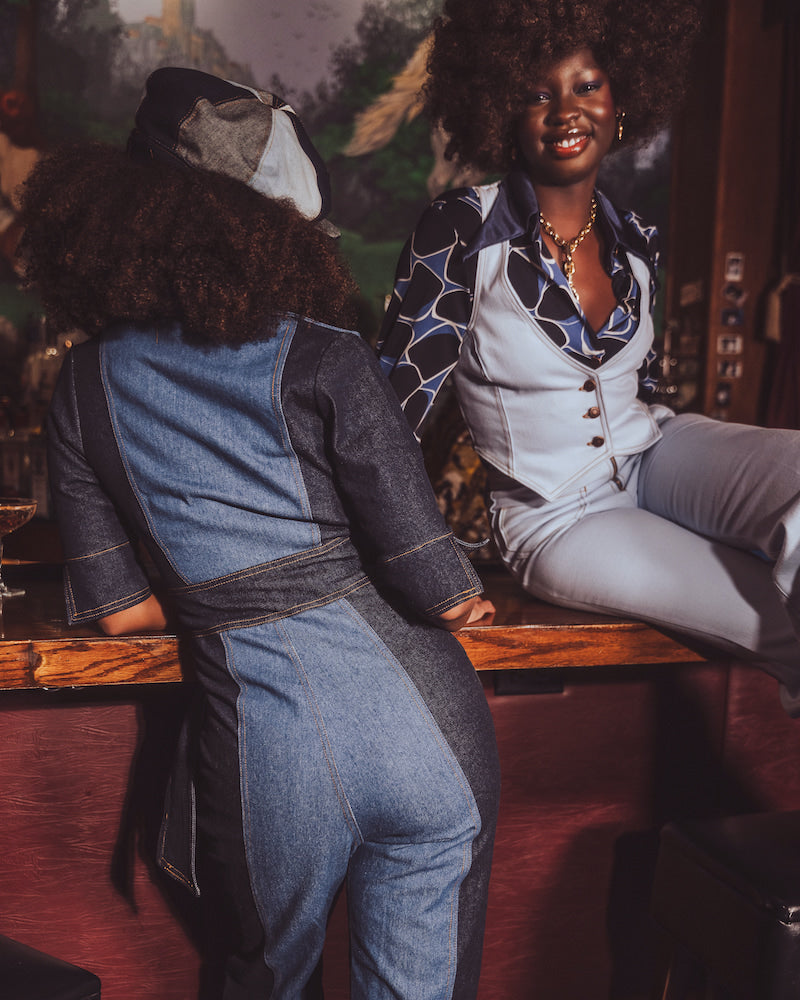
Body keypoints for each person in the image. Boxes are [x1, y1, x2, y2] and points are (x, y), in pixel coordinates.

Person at [20, 68, 499, 999]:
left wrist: (228, 599)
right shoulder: (330, 356)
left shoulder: (83, 388)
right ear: (281, 236)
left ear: (126, 212)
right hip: (425, 729)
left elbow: (120, 616)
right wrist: (450, 597)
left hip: (263, 754)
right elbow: (433, 576)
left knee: (263, 982)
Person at [377, 0, 800, 714]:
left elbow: (643, 389)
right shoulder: (459, 231)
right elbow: (387, 423)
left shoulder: (635, 239)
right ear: (503, 112)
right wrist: (425, 573)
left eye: (588, 84)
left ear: (620, 98)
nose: (566, 110)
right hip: (558, 521)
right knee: (778, 620)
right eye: (537, 93)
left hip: (656, 457)